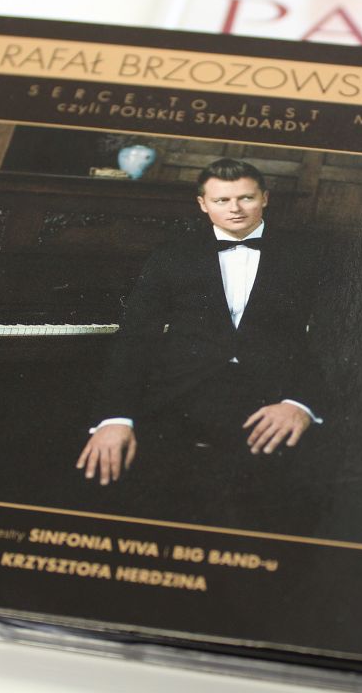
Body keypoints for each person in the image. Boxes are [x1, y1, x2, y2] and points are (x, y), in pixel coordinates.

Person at [75, 158, 327, 491]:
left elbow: (338, 335)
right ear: (203, 204)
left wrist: (299, 403)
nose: (235, 209)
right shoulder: (171, 254)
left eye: (246, 198)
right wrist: (115, 417)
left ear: (265, 198)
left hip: (273, 393)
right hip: (180, 393)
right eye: (222, 200)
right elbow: (135, 338)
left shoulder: (309, 254)